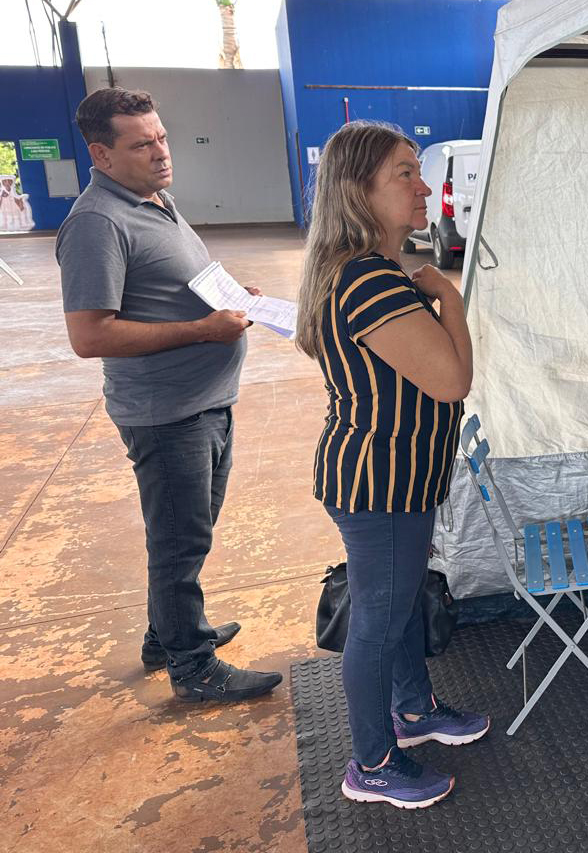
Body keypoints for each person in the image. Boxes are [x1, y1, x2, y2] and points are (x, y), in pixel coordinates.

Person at [57, 88, 281, 703]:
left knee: (190, 530)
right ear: (101, 155)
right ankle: (193, 666)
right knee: (180, 541)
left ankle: (167, 634)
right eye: (142, 144)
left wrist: (230, 299)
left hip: (203, 401)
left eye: (161, 137)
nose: (161, 152)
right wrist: (203, 329)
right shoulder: (97, 224)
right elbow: (89, 335)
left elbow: (166, 287)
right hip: (167, 412)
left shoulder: (154, 200)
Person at [294, 120, 489, 810]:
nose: (423, 187)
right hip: (380, 484)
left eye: (418, 171)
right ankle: (372, 762)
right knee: (378, 620)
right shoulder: (370, 280)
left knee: (400, 602)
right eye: (405, 174)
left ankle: (414, 708)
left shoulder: (367, 272)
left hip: (395, 477)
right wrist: (452, 301)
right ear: (359, 190)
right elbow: (451, 381)